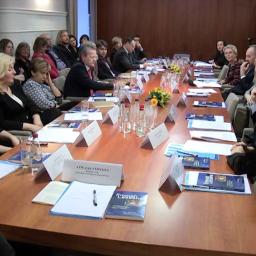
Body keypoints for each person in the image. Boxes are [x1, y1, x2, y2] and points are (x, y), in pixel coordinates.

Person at [0, 53, 43, 132]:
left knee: (53, 113)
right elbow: (2, 122)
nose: (14, 72)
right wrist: (30, 127)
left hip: (33, 121)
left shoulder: (14, 84)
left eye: (13, 68)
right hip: (21, 130)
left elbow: (29, 102)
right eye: (10, 69)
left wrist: (36, 117)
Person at [22, 58, 63, 124]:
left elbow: (60, 98)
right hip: (41, 116)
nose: (45, 76)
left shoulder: (42, 84)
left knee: (74, 103)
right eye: (42, 73)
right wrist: (56, 103)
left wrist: (50, 84)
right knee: (55, 112)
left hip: (53, 111)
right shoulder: (30, 85)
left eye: (46, 74)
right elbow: (45, 104)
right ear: (33, 72)